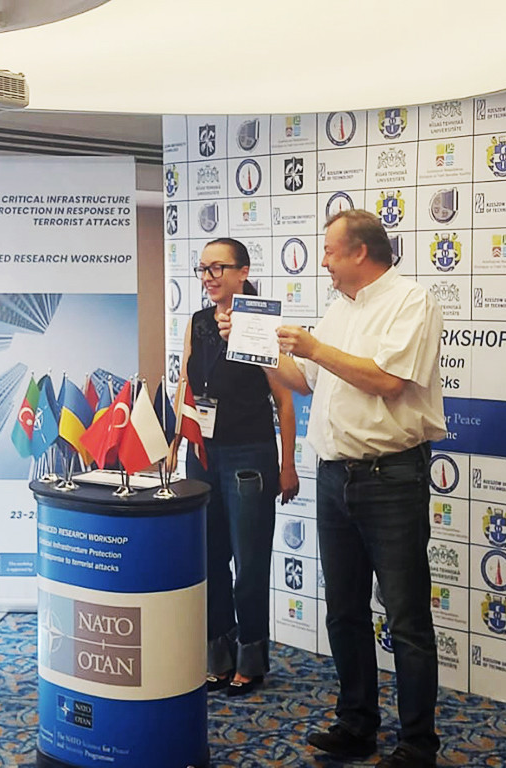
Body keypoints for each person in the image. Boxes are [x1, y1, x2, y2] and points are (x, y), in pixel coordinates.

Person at [219, 210, 445, 767]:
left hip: (392, 478)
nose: (321, 261)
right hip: (335, 475)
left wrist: (314, 347)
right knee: (343, 612)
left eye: (328, 251)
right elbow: (304, 381)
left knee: (406, 619)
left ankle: (417, 743)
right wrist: (255, 347)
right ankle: (357, 724)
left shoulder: (411, 301)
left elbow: (387, 382)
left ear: (360, 252)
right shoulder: (340, 308)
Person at [172, 237, 299, 697]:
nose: (208, 277)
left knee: (249, 564)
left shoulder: (259, 322)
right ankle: (219, 657)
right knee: (209, 560)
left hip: (250, 457)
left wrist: (288, 464)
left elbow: (286, 400)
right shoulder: (197, 322)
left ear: (243, 272)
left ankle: (251, 659)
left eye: (218, 268)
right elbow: (186, 384)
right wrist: (175, 442)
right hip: (202, 455)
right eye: (203, 269)